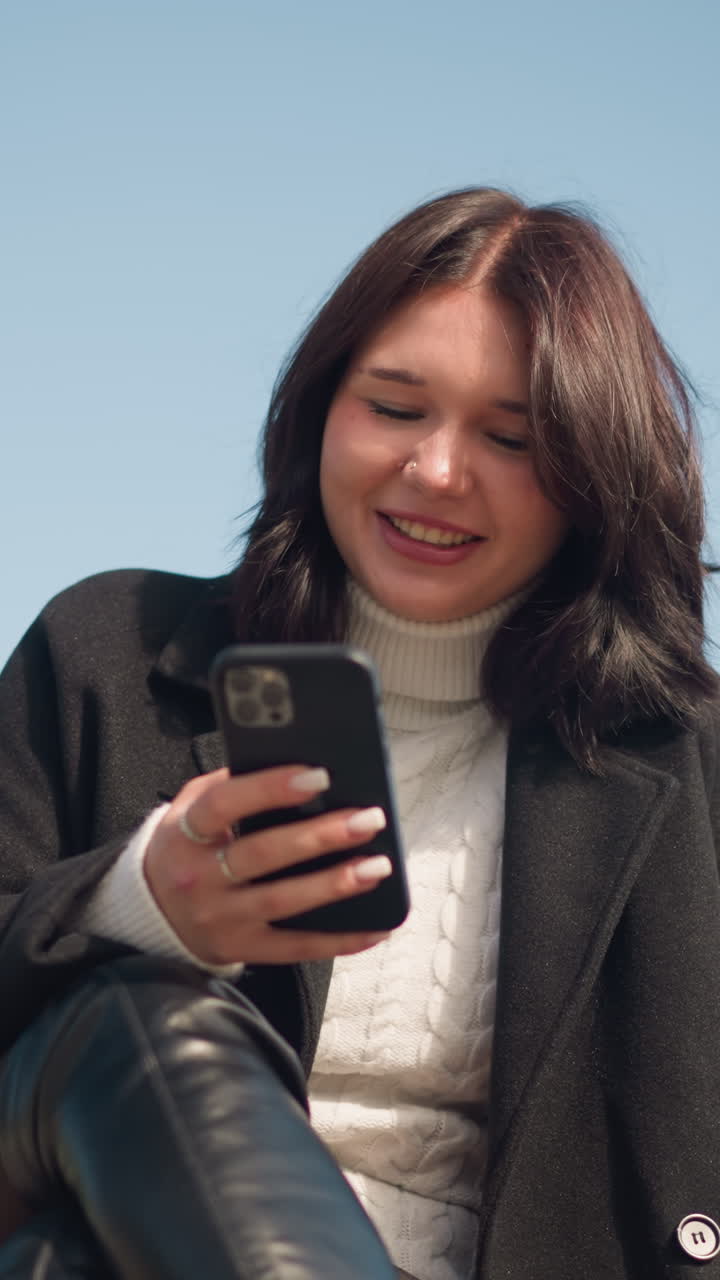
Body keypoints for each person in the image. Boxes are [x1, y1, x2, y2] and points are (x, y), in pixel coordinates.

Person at [0, 186, 718, 1280]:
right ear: (319, 406)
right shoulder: (101, 651)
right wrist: (140, 904)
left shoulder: (688, 760)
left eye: (512, 436)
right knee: (143, 1034)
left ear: (595, 477)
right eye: (392, 407)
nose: (435, 471)